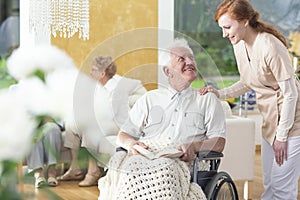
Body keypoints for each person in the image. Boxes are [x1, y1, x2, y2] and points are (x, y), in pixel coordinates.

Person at [98, 38, 226, 199]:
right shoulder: (149, 99)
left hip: (185, 163)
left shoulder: (207, 99)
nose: (189, 62)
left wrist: (193, 146)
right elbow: (123, 135)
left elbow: (219, 142)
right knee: (129, 171)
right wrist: (131, 144)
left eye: (191, 58)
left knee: (165, 170)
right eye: (182, 59)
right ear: (167, 71)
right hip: (147, 157)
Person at [199, 0, 300, 199]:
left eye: (227, 27)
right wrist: (219, 93)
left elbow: (290, 94)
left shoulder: (270, 45)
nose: (224, 34)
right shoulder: (240, 45)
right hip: (271, 119)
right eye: (222, 28)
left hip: (292, 122)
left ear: (245, 21)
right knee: (269, 183)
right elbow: (247, 82)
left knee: (282, 186)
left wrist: (282, 135)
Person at [57, 56, 147, 187]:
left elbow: (124, 111)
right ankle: (75, 167)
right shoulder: (98, 86)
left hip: (119, 124)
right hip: (105, 121)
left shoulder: (118, 87)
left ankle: (93, 171)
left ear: (102, 73)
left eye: (93, 70)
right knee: (72, 125)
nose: (90, 73)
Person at [27, 121, 62, 188]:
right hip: (31, 122)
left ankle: (52, 171)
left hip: (50, 120)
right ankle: (38, 173)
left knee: (52, 128)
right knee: (32, 129)